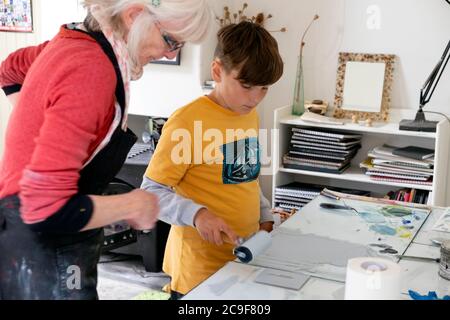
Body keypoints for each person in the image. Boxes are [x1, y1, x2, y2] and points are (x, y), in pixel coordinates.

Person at [0, 0, 211, 300]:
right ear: (134, 15)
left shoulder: (70, 43)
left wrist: (35, 126)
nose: (171, 54)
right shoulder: (92, 70)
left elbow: (10, 69)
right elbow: (44, 206)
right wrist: (131, 204)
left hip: (39, 240)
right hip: (45, 253)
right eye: (170, 41)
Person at [142, 20, 284, 299]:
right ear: (218, 71)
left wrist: (265, 217)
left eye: (264, 88)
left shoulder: (247, 114)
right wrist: (197, 215)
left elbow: (245, 177)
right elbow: (151, 193)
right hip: (197, 274)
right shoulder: (186, 122)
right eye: (246, 85)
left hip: (242, 261)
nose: (256, 98)